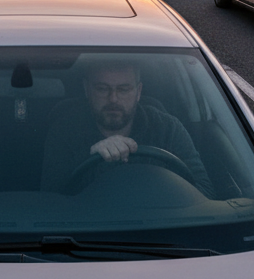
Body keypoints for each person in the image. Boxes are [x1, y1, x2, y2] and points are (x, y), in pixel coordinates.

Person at [41, 62, 214, 197]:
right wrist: (94, 159)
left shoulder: (168, 129)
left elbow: (204, 192)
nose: (113, 99)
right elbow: (52, 200)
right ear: (87, 89)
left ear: (138, 91)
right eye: (102, 89)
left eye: (124, 89)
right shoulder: (65, 131)